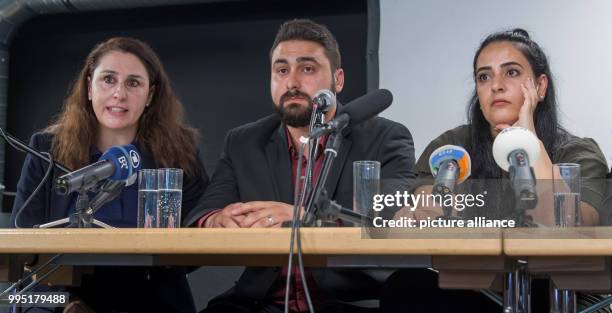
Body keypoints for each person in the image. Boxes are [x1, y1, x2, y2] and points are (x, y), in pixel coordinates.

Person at [184, 19, 416, 313]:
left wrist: (305, 219)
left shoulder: (386, 137)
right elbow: (204, 212)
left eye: (307, 69)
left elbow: (390, 222)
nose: (291, 82)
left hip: (347, 303)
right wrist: (218, 220)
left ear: (338, 80)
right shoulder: (244, 141)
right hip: (261, 302)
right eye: (281, 70)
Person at [385, 29, 608, 313]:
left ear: (540, 86)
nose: (496, 85)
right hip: (478, 286)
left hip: (557, 290)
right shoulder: (453, 146)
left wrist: (529, 141)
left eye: (512, 72)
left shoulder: (577, 152)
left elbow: (572, 226)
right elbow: (427, 207)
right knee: (406, 286)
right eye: (484, 77)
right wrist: (419, 213)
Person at [11, 37, 208, 313]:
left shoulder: (179, 153)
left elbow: (198, 244)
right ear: (89, 87)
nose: (119, 94)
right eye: (108, 80)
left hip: (152, 303)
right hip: (60, 301)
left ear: (150, 95)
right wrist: (65, 305)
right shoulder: (46, 151)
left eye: (133, 83)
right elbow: (22, 251)